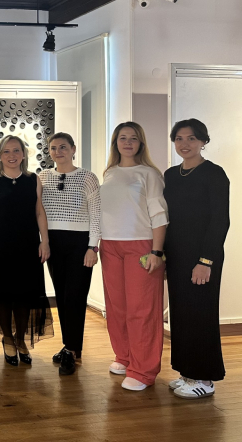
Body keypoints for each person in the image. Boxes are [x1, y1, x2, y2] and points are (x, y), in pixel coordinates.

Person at [164, 119, 229, 399]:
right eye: (179, 138)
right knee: (181, 315)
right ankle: (187, 373)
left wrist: (205, 261)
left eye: (191, 138)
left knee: (200, 314)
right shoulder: (170, 175)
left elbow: (220, 221)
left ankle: (205, 378)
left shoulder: (214, 174)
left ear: (203, 141)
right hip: (177, 254)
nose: (185, 144)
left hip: (202, 256)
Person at [100, 121, 167, 391]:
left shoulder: (149, 174)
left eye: (133, 138)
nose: (128, 143)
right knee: (117, 308)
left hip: (141, 246)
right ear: (115, 143)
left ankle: (143, 371)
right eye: (123, 138)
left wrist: (157, 252)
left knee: (142, 309)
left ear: (141, 143)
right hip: (110, 246)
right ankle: (125, 357)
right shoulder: (109, 173)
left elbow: (159, 214)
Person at [0, 135, 53, 366]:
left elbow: (39, 212)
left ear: (23, 154)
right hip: (0, 246)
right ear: (0, 155)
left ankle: (21, 339)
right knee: (2, 295)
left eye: (16, 151)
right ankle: (8, 340)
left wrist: (45, 241)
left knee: (24, 296)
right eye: (7, 151)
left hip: (28, 245)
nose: (12, 155)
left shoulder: (33, 179)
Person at [39, 132, 101, 375]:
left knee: (75, 297)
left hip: (79, 243)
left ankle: (72, 349)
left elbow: (96, 214)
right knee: (62, 297)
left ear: (73, 149)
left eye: (63, 147)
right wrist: (43, 242)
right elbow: (38, 212)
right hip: (53, 243)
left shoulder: (88, 177)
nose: (58, 152)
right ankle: (70, 347)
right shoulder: (42, 177)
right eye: (54, 148)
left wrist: (92, 247)